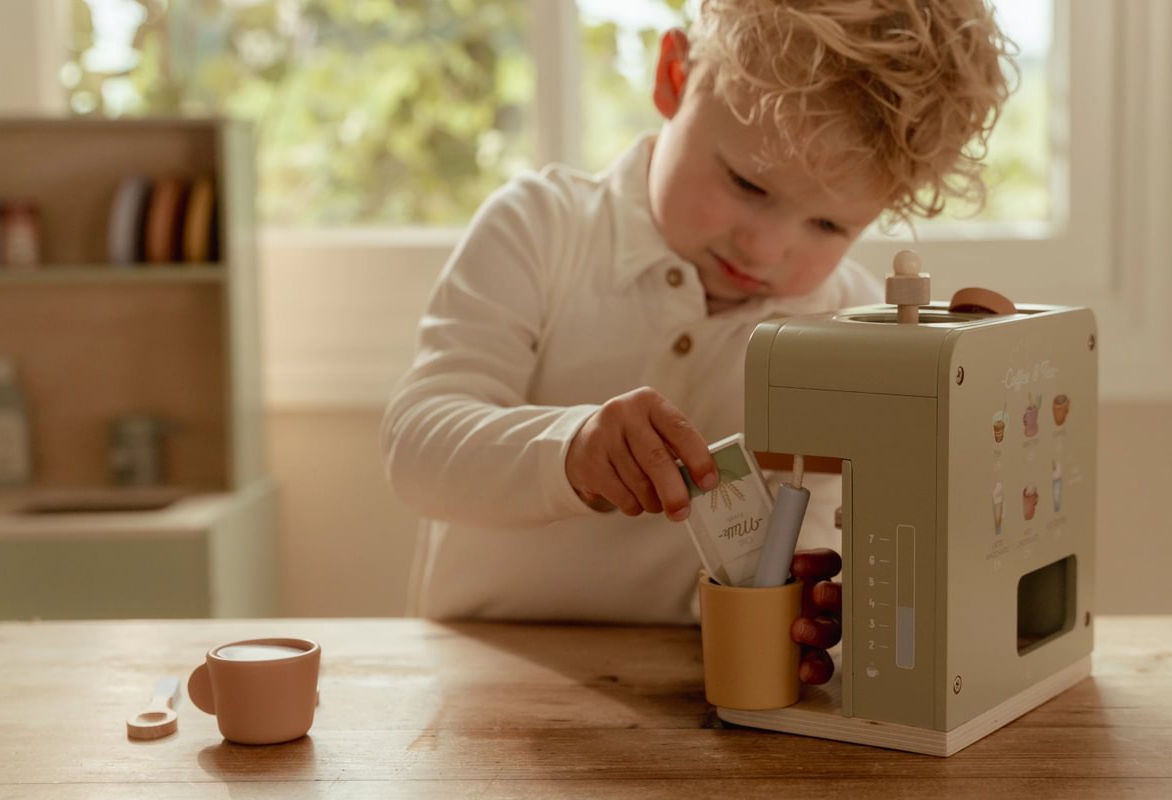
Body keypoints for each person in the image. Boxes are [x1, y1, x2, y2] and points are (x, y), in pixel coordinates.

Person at [382, 0, 1014, 684]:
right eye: (747, 184)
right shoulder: (541, 229)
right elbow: (418, 446)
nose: (766, 247)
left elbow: (839, 541)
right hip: (478, 683)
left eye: (829, 226)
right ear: (674, 77)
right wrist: (573, 451)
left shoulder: (852, 325)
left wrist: (814, 604)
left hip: (699, 688)